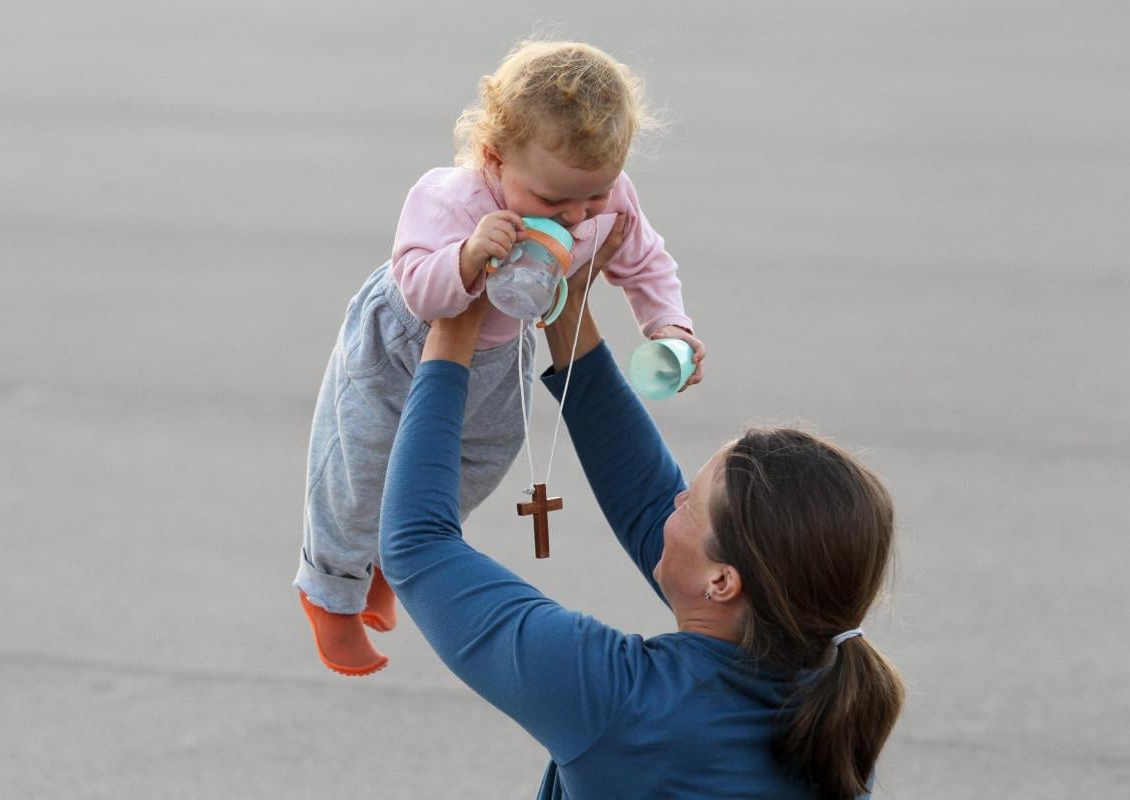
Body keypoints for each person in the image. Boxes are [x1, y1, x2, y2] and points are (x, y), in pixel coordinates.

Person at [378, 233, 905, 797]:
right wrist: (567, 309)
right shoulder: (832, 705)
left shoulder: (621, 701)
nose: (671, 502)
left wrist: (454, 323)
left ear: (724, 582)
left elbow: (418, 546)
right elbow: (649, 501)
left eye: (690, 505)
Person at [295, 39, 706, 676]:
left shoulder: (604, 196)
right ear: (494, 157)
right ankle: (329, 592)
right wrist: (464, 259)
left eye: (592, 199)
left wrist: (668, 326)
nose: (575, 217)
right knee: (361, 466)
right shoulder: (452, 199)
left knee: (483, 457)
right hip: (403, 344)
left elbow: (643, 262)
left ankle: (381, 560)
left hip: (498, 354)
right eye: (553, 203)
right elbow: (416, 285)